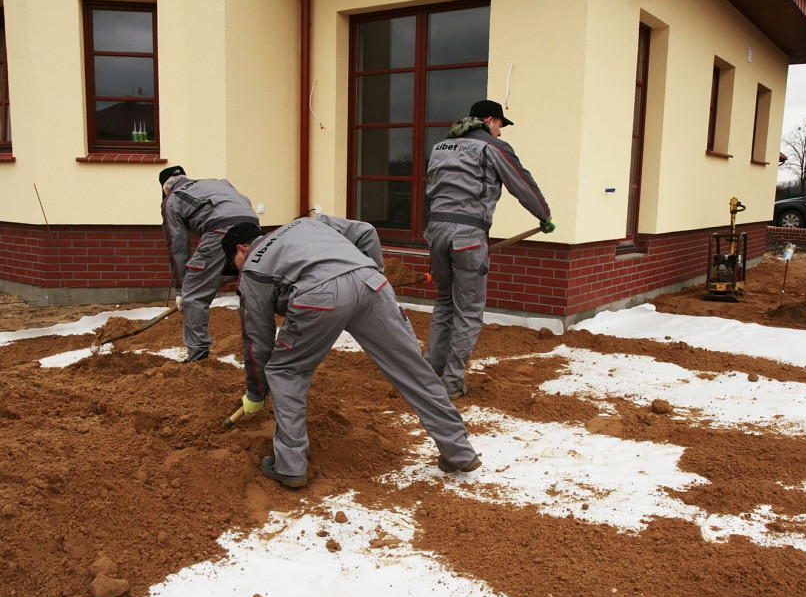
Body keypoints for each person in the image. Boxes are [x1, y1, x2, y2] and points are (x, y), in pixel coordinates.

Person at [220, 215, 481, 488]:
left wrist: (256, 391)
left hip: (318, 297)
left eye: (233, 266)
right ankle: (459, 451)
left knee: (285, 371)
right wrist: (375, 272)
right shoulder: (305, 223)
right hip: (372, 284)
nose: (237, 271)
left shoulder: (251, 269)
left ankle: (290, 466)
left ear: (242, 249)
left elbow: (257, 340)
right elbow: (366, 230)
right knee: (413, 369)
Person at [424, 99, 556, 399]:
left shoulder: (440, 148)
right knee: (469, 311)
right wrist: (544, 216)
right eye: (500, 125)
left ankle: (430, 370)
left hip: (436, 232)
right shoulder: (491, 148)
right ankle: (452, 383)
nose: (500, 132)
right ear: (489, 120)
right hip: (468, 235)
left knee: (445, 301)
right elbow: (522, 183)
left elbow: (433, 190)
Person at [159, 166, 260, 363]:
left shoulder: (172, 199)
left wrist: (181, 289)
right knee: (254, 287)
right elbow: (242, 201)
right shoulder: (217, 183)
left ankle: (198, 356)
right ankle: (259, 348)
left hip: (221, 229)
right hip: (252, 228)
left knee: (194, 294)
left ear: (165, 189)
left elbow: (177, 245)